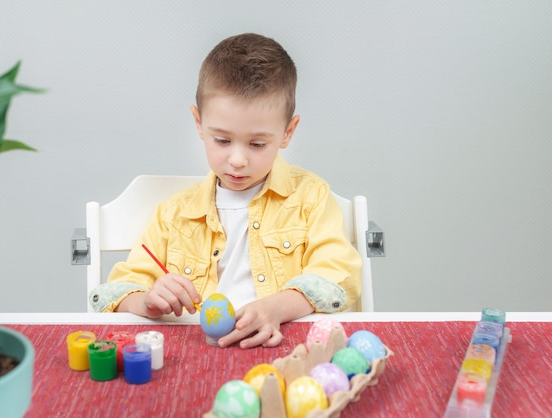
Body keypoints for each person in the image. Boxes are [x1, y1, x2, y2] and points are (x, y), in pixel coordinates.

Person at [89, 33, 362, 349]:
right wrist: (146, 301)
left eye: (257, 144)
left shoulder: (310, 197)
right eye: (222, 140)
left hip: (285, 349)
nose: (237, 160)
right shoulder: (174, 214)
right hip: (192, 356)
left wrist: (276, 307)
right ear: (199, 123)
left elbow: (338, 275)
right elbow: (114, 291)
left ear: (288, 132)